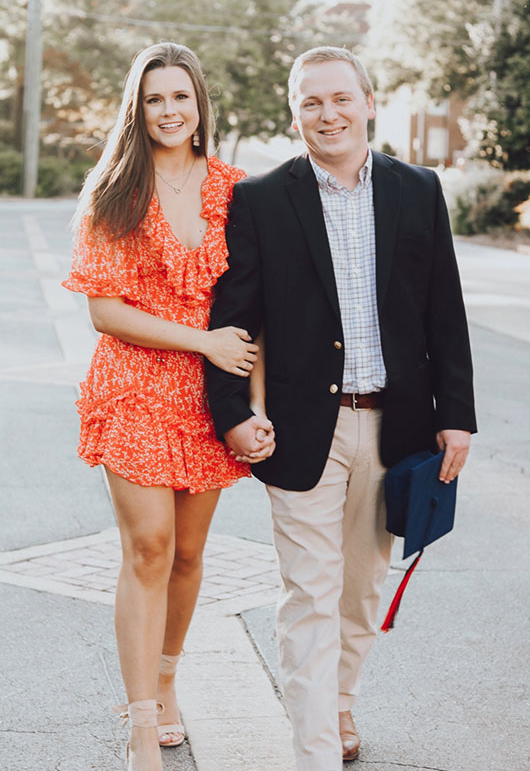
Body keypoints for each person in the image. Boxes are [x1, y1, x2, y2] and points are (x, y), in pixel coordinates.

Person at [206, 46, 477, 771]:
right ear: (293, 112)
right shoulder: (261, 199)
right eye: (310, 103)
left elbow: (444, 310)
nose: (327, 114)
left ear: (367, 102)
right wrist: (232, 410)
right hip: (303, 431)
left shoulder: (417, 189)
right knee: (310, 595)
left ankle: (340, 703)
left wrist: (458, 414)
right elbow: (234, 317)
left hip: (398, 428)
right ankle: (316, 750)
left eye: (339, 99)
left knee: (361, 593)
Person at [62, 42, 274, 771]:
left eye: (180, 97)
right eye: (154, 99)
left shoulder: (237, 190)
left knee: (187, 554)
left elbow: (258, 308)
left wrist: (256, 401)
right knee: (148, 546)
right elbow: (104, 310)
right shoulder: (114, 190)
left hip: (207, 397)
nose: (169, 111)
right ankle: (140, 724)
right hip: (133, 383)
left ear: (199, 105)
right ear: (138, 108)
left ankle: (168, 676)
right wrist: (203, 341)